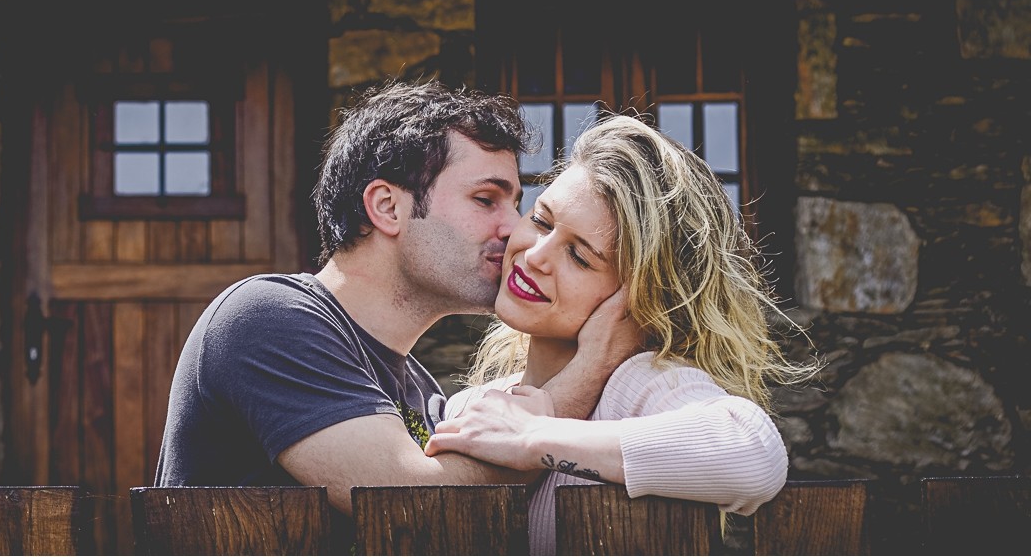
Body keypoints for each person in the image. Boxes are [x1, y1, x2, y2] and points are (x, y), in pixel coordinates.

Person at [154, 79, 640, 543]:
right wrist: (590, 368)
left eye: (516, 203)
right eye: (486, 199)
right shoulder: (265, 318)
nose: (513, 228)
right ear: (387, 207)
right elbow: (412, 507)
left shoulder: (420, 391)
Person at [424, 112, 819, 554]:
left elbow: (754, 457)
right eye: (541, 220)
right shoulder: (470, 405)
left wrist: (534, 439)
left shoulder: (639, 386)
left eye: (579, 256)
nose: (536, 255)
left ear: (635, 297)